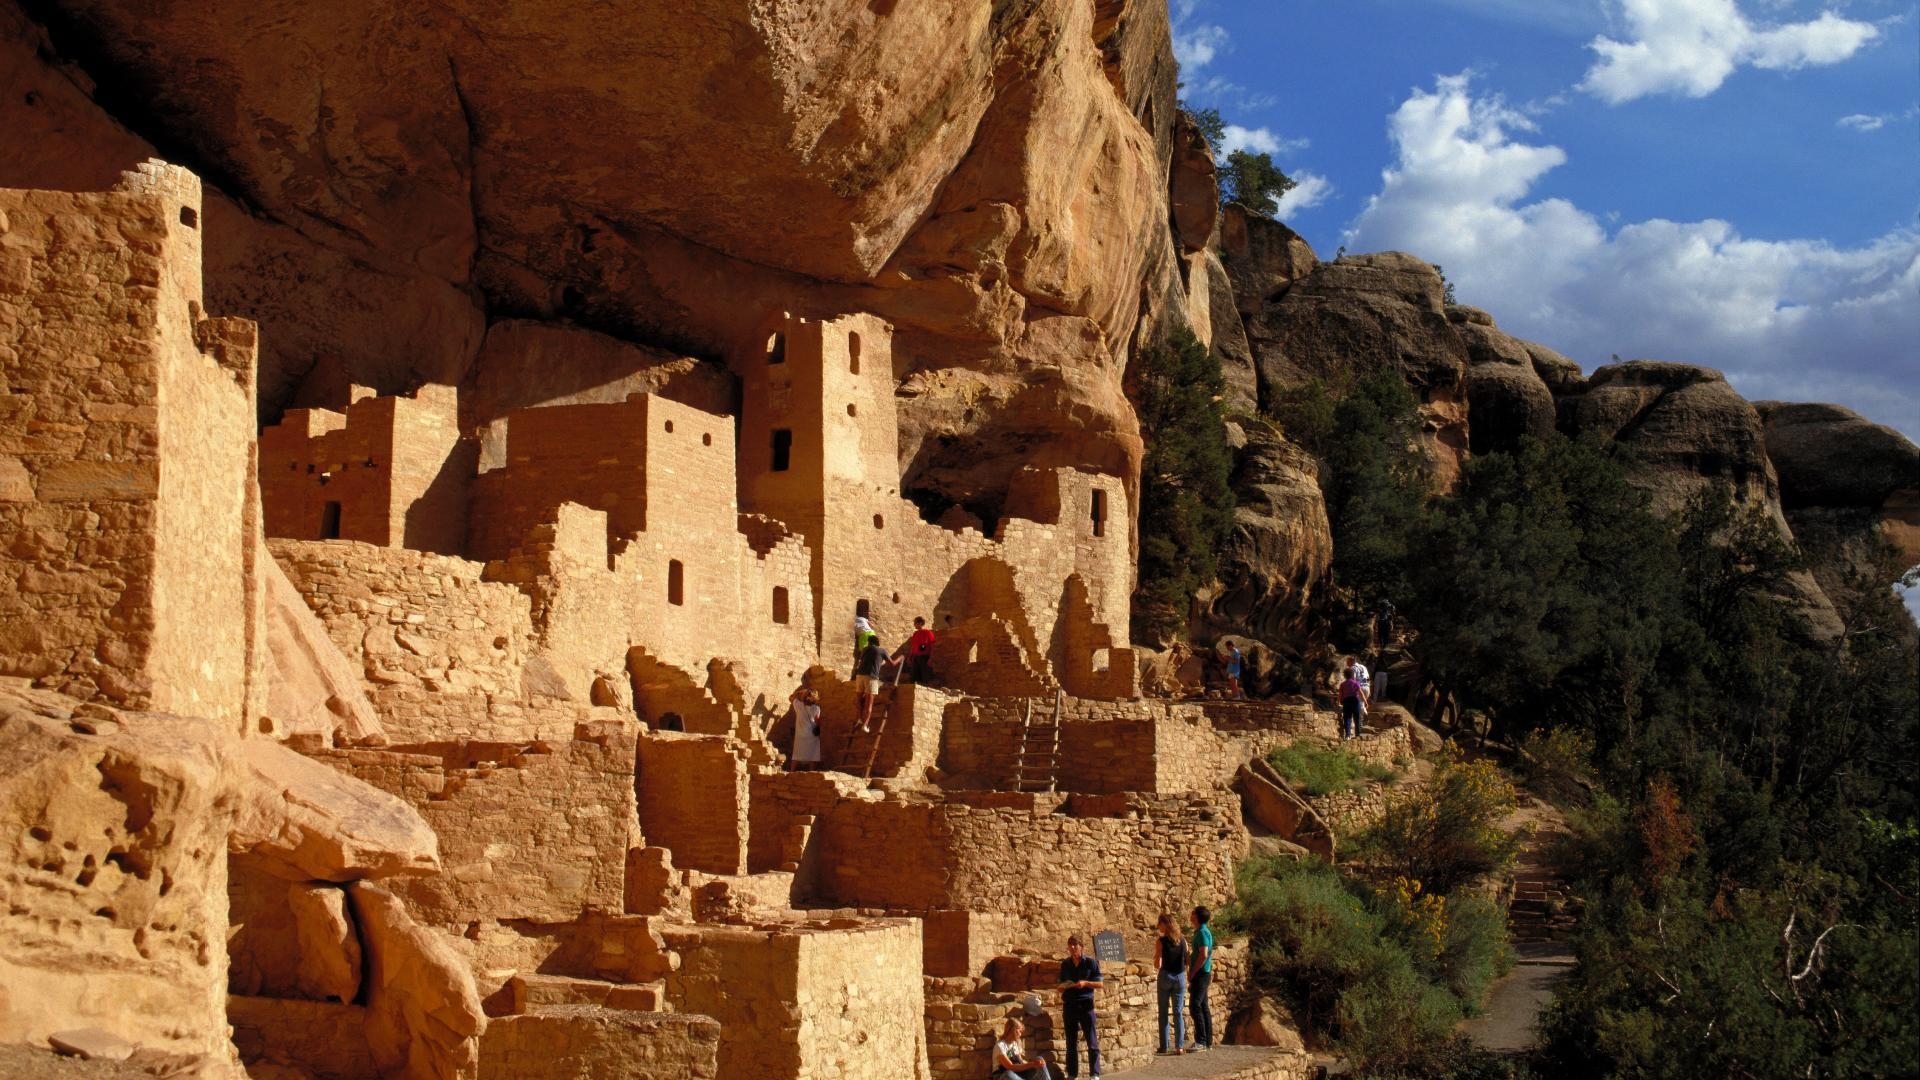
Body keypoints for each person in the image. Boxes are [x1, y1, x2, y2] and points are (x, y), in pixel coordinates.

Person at [1057, 935, 1103, 1078]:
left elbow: (1100, 984)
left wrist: (1085, 983)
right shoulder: (1065, 964)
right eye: (1070, 945)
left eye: (1075, 945)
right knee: (1071, 1042)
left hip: (1085, 1005)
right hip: (1069, 1005)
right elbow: (1061, 982)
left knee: (1092, 1042)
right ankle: (1072, 1074)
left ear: (1081, 947)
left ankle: (1094, 1074)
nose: (1072, 948)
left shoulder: (1091, 963)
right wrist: (1061, 987)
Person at [1154, 913, 1189, 1055]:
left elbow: (1158, 964)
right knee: (1178, 1012)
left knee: (1163, 1012)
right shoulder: (1183, 940)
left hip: (1165, 976)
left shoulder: (1161, 941)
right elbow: (1187, 960)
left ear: (1165, 924)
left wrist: (1156, 959)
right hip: (1180, 977)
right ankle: (1179, 1046)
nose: (1158, 926)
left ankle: (1164, 1046)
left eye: (1159, 923)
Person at [1188, 906, 1215, 1052]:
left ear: (1197, 916)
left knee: (1195, 1006)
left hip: (1201, 974)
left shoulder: (1203, 933)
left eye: (1193, 913)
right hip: (1203, 973)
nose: (1191, 915)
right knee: (1203, 1007)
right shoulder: (1201, 931)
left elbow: (1203, 954)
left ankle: (1201, 1041)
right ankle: (1208, 1041)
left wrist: (1193, 972)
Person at [854, 635, 889, 731]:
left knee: (859, 700)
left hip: (859, 675)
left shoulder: (865, 650)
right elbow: (892, 663)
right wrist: (901, 658)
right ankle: (865, 725)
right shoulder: (882, 651)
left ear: (869, 642)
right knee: (869, 703)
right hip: (871, 676)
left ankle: (859, 720)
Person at [786, 685, 821, 772]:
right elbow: (818, 721)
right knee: (813, 755)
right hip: (811, 735)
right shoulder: (816, 708)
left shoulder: (799, 705)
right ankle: (811, 772)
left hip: (800, 734)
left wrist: (799, 692)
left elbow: (790, 697)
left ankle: (791, 771)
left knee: (796, 754)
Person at [895, 616, 937, 685]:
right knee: (914, 676)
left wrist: (931, 657)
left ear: (920, 623)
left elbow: (932, 645)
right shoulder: (915, 634)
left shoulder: (928, 633)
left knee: (925, 675)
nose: (914, 625)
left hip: (924, 657)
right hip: (916, 657)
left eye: (915, 623)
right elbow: (913, 646)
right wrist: (910, 657)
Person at [1338, 666, 1364, 740]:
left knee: (1347, 718)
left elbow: (1340, 694)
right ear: (1352, 674)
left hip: (1346, 701)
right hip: (1355, 701)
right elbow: (1361, 693)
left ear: (1345, 675)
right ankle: (1357, 735)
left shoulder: (1342, 684)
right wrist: (1365, 701)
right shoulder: (1355, 683)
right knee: (1357, 718)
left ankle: (1347, 735)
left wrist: (1338, 702)